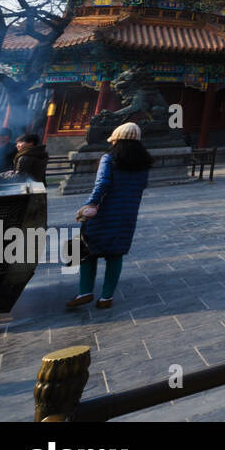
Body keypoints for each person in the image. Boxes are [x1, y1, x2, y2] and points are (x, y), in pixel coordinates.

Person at [66, 122, 152, 310]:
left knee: (87, 250)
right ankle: (106, 298)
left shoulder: (109, 158)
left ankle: (85, 291)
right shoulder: (144, 162)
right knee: (116, 254)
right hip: (128, 213)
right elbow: (141, 186)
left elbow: (102, 184)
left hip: (105, 212)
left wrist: (90, 204)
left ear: (116, 139)